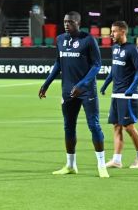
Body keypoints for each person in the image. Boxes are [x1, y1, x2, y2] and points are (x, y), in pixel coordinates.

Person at [38, 11, 107, 177]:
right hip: (68, 91)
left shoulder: (88, 40)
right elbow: (58, 63)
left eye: (70, 22)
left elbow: (97, 65)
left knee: (94, 126)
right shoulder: (60, 39)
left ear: (78, 23)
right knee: (68, 127)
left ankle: (101, 165)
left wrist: (82, 84)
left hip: (86, 91)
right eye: (64, 22)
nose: (66, 25)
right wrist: (46, 83)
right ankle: (70, 165)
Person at [99, 21, 138, 169]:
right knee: (116, 126)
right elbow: (113, 70)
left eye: (114, 31)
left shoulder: (132, 49)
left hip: (128, 95)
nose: (111, 34)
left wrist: (131, 89)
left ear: (123, 32)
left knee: (129, 127)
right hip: (116, 94)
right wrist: (106, 84)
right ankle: (116, 160)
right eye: (111, 31)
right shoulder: (115, 48)